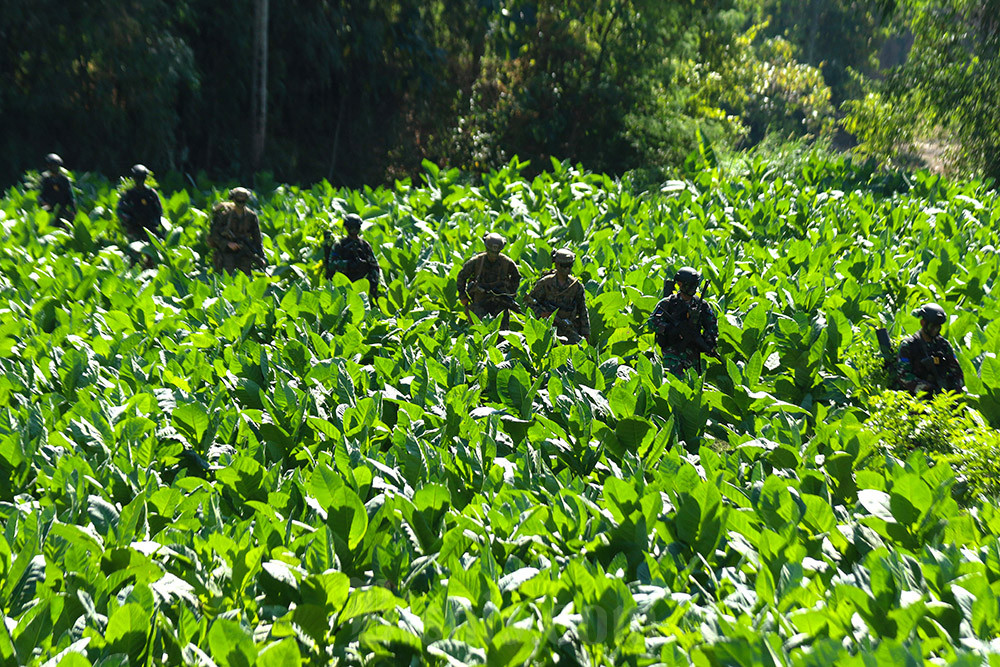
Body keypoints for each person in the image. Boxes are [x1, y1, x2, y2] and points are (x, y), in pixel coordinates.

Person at [648, 267, 718, 374]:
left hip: (692, 355)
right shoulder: (668, 303)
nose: (693, 288)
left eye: (695, 285)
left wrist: (709, 343)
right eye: (690, 285)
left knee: (693, 386)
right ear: (680, 284)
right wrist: (670, 329)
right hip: (672, 354)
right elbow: (652, 322)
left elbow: (711, 326)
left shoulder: (702, 305)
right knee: (674, 385)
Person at [898, 303, 964, 395]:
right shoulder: (909, 345)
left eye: (938, 327)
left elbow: (957, 373)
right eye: (932, 326)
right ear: (922, 323)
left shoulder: (944, 346)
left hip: (943, 398)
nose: (935, 329)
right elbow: (903, 375)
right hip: (916, 399)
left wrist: (953, 391)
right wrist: (927, 387)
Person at [526, 248, 590, 343]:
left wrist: (586, 333)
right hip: (547, 328)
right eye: (563, 266)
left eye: (569, 265)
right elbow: (530, 303)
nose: (567, 269)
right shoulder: (545, 283)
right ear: (556, 264)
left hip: (568, 328)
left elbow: (583, 311)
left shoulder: (576, 286)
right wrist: (543, 314)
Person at [457, 233, 521, 319]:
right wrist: (463, 296)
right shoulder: (477, 261)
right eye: (491, 252)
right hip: (480, 300)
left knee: (503, 328)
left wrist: (509, 292)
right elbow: (461, 276)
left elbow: (516, 278)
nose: (494, 255)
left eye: (496, 252)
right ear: (487, 249)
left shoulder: (507, 263)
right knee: (479, 327)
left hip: (500, 302)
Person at [207, 187, 266, 275]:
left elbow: (257, 238)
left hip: (244, 252)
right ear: (233, 199)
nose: (241, 204)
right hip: (227, 254)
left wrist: (261, 256)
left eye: (243, 201)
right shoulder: (224, 215)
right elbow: (214, 234)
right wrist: (227, 243)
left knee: (244, 278)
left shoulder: (251, 216)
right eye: (239, 201)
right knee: (227, 278)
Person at [323, 214, 380, 302]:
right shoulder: (340, 245)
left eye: (356, 227)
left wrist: (373, 283)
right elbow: (331, 265)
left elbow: (374, 265)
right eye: (351, 227)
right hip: (344, 284)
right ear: (346, 228)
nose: (354, 230)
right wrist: (348, 264)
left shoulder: (364, 245)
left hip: (362, 285)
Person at [116, 164, 163, 242]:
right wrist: (130, 220)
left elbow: (159, 211)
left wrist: (154, 222)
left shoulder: (151, 193)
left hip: (150, 228)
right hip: (134, 229)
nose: (139, 181)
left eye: (141, 178)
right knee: (134, 249)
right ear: (134, 178)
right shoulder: (128, 194)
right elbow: (120, 211)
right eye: (137, 178)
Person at [38, 153, 76, 228]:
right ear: (48, 166)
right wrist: (43, 203)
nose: (54, 168)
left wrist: (73, 210)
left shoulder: (64, 179)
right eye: (52, 166)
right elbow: (40, 195)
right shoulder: (46, 179)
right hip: (49, 210)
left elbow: (70, 196)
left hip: (62, 209)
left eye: (56, 166)